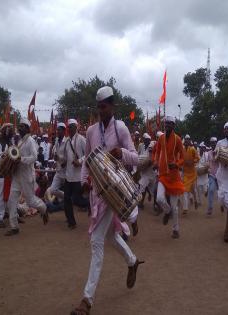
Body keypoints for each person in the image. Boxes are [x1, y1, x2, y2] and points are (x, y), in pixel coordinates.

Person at [71, 86, 143, 315]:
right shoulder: (92, 131)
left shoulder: (120, 127)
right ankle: (132, 261)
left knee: (96, 241)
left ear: (112, 106)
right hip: (97, 192)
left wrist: (122, 154)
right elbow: (87, 160)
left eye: (104, 107)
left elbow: (136, 158)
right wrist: (84, 181)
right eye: (99, 107)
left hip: (116, 192)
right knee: (110, 236)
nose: (101, 111)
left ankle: (87, 300)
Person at [5, 118, 48, 236]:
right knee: (11, 201)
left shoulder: (30, 141)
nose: (20, 128)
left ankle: (44, 209)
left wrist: (21, 159)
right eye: (19, 126)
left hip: (27, 176)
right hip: (17, 176)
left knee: (31, 201)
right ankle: (14, 227)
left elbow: (34, 157)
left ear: (28, 129)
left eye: (22, 126)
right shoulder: (19, 141)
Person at [154, 116, 185, 239]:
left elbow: (183, 157)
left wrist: (176, 164)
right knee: (160, 198)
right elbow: (157, 151)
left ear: (173, 126)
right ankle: (167, 211)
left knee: (175, 206)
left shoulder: (177, 139)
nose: (167, 125)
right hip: (162, 174)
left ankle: (176, 229)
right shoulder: (161, 138)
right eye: (166, 123)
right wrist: (156, 161)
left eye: (169, 124)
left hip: (174, 177)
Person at [63, 118, 88, 229]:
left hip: (78, 176)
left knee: (77, 200)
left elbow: (89, 153)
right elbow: (66, 156)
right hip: (68, 175)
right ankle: (71, 222)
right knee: (66, 199)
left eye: (72, 126)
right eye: (69, 127)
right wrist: (62, 162)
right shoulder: (67, 141)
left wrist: (80, 161)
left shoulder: (82, 139)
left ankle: (91, 204)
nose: (70, 129)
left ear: (76, 127)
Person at [0, 123, 14, 228]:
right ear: (5, 131)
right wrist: (7, 155)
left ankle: (12, 215)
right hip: (2, 173)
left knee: (11, 196)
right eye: (9, 130)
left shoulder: (10, 142)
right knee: (1, 196)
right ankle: (0, 218)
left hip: (10, 173)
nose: (11, 132)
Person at [49, 122, 68, 214]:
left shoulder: (67, 141)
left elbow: (68, 158)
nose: (57, 132)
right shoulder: (56, 141)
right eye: (57, 130)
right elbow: (56, 155)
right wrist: (55, 162)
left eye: (59, 130)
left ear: (64, 131)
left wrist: (59, 159)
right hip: (58, 170)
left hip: (67, 172)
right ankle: (66, 197)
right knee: (52, 190)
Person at [182, 134, 199, 214]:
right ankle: (185, 208)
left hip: (192, 174)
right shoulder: (182, 149)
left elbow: (197, 158)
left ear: (189, 141)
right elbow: (180, 159)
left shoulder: (192, 149)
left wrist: (192, 162)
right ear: (184, 141)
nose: (186, 141)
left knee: (194, 190)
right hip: (185, 173)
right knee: (185, 190)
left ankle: (196, 201)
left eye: (188, 139)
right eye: (185, 139)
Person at [206, 137, 218, 215]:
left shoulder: (220, 152)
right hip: (212, 175)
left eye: (214, 142)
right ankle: (210, 208)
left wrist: (215, 155)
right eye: (212, 142)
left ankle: (224, 205)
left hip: (220, 175)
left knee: (222, 193)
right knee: (210, 190)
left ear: (216, 143)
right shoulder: (208, 153)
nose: (213, 144)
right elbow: (208, 163)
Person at [196, 143, 209, 208]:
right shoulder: (197, 155)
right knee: (198, 189)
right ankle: (200, 202)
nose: (202, 148)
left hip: (204, 175)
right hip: (198, 174)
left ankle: (207, 191)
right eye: (201, 147)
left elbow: (208, 163)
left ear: (204, 148)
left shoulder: (206, 155)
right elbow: (195, 163)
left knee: (205, 189)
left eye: (203, 147)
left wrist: (205, 168)